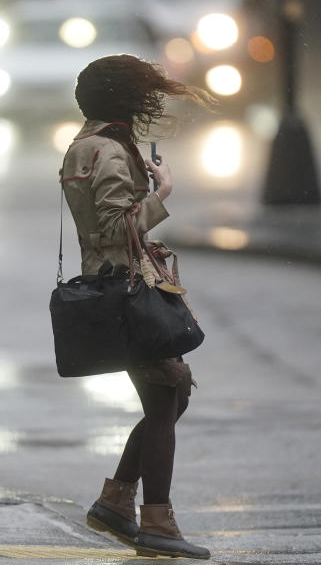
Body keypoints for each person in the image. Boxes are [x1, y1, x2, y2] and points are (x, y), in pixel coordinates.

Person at [60, 54, 213, 559]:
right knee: (167, 397)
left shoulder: (91, 143)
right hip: (125, 292)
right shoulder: (105, 150)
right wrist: (163, 192)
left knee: (170, 397)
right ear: (124, 99)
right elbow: (110, 229)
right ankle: (157, 520)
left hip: (119, 287)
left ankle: (118, 501)